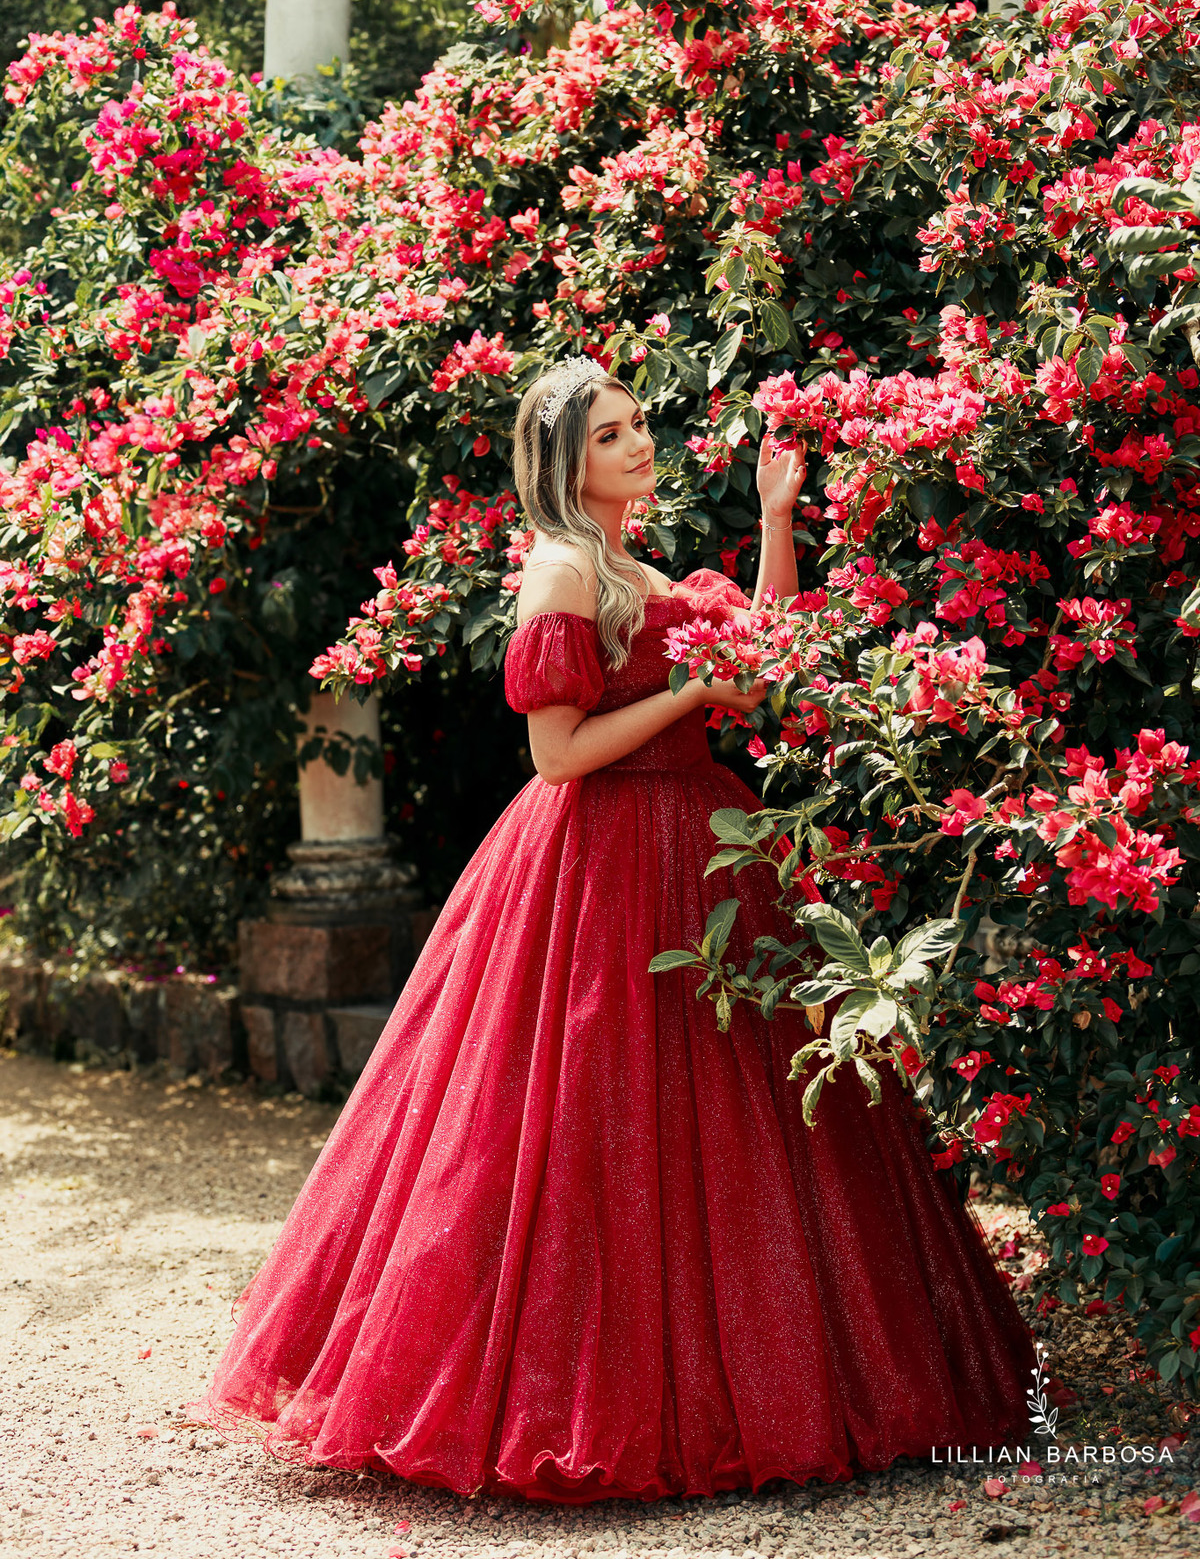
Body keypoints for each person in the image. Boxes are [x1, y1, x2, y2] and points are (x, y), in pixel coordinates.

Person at [190, 357, 1036, 1502]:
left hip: (709, 848)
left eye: (639, 424)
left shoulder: (640, 568)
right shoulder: (563, 569)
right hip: (601, 860)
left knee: (746, 1112)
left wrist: (775, 521)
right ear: (563, 461)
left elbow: (761, 670)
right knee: (594, 1117)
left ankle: (786, 1379)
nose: (639, 443)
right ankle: (583, 1398)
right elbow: (558, 756)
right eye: (609, 434)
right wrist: (688, 694)